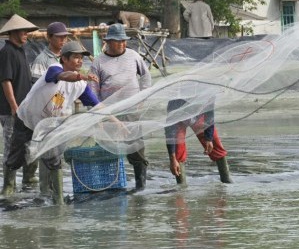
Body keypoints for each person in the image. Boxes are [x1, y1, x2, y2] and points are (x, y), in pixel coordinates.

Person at [2, 41, 100, 203]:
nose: (80, 61)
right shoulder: (54, 69)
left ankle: (58, 197)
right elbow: (63, 76)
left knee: (54, 158)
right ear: (64, 59)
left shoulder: (81, 86)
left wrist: (117, 122)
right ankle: (8, 188)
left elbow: (97, 105)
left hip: (49, 125)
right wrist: (81, 75)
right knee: (16, 156)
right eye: (76, 57)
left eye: (81, 58)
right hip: (27, 119)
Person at [89, 23, 152, 190]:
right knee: (106, 149)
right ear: (108, 42)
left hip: (131, 110)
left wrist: (142, 98)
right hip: (109, 114)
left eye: (124, 41)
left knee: (136, 148)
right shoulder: (98, 62)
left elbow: (146, 76)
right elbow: (93, 92)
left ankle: (140, 186)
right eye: (118, 41)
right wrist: (98, 116)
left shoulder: (134, 56)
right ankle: (108, 186)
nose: (122, 44)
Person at [30, 22, 71, 195]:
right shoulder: (42, 61)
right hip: (46, 115)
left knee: (58, 152)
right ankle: (45, 191)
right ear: (49, 38)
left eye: (65, 37)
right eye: (59, 37)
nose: (63, 40)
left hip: (62, 113)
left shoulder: (67, 57)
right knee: (46, 152)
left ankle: (56, 190)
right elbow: (37, 90)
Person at [0, 14, 39, 193]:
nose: (27, 35)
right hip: (10, 110)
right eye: (24, 31)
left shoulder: (20, 50)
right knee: (11, 145)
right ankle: (8, 187)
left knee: (25, 143)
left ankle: (27, 182)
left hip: (23, 110)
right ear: (14, 32)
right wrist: (15, 107)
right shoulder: (7, 52)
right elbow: (6, 81)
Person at [164, 98, 232, 185]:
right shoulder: (175, 106)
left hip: (199, 117)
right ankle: (181, 187)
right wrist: (172, 159)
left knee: (215, 146)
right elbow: (170, 134)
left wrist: (209, 138)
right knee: (177, 154)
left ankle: (227, 181)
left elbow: (209, 114)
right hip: (179, 118)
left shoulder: (205, 93)